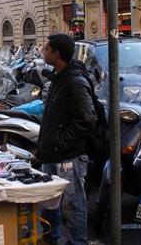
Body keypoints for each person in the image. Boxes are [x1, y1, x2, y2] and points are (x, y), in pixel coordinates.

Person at [37, 34, 97, 245]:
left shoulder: (75, 81)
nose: (44, 52)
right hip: (52, 154)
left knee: (73, 204)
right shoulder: (57, 77)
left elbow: (87, 120)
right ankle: (50, 239)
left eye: (47, 49)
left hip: (69, 156)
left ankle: (77, 242)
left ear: (57, 53)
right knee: (49, 201)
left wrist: (62, 141)